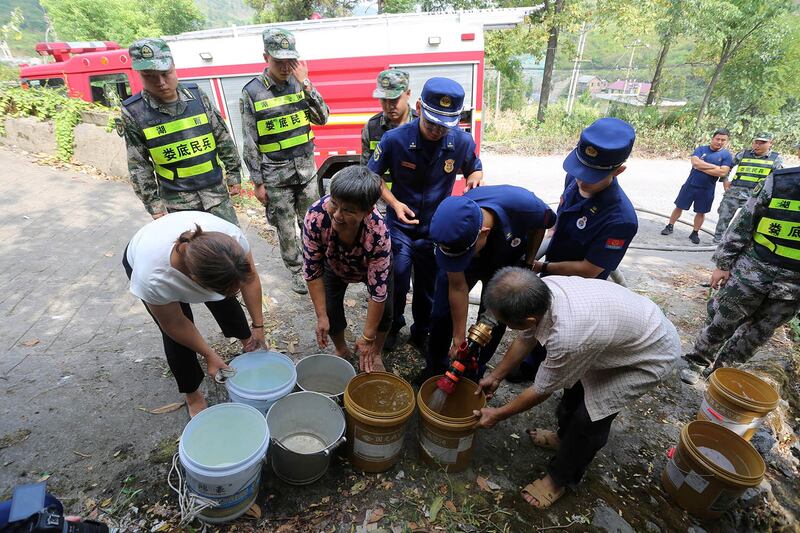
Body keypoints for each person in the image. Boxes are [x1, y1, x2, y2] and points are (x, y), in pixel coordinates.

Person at [474, 267, 680, 508]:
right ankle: (563, 437)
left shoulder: (568, 336)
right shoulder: (538, 291)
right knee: (574, 389)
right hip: (615, 335)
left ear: (529, 319)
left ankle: (560, 478)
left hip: (649, 354)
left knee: (590, 418)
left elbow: (541, 389)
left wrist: (498, 414)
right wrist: (497, 375)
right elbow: (526, 337)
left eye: (506, 323)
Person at [509, 117, 638, 383]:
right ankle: (530, 364)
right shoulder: (575, 177)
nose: (581, 179)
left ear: (619, 170)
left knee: (561, 329)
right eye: (580, 169)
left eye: (592, 176)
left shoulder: (620, 218)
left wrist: (541, 267)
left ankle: (552, 373)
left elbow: (589, 270)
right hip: (553, 266)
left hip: (580, 285)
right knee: (539, 319)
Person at [368, 77, 483, 352]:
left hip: (435, 229)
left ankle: (422, 330)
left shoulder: (462, 142)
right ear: (419, 107)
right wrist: (394, 203)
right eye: (431, 123)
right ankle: (393, 326)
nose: (436, 131)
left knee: (428, 284)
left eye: (444, 126)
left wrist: (476, 178)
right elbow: (373, 177)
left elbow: (474, 168)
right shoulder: (395, 139)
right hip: (400, 224)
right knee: (397, 276)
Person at [123, 211, 266, 416]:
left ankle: (248, 341)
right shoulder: (152, 278)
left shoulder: (231, 241)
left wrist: (258, 326)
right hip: (146, 255)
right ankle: (192, 393)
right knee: (177, 338)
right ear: (194, 281)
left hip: (204, 262)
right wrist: (209, 355)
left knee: (226, 303)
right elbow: (175, 324)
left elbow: (250, 280)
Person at [680, 167, 800, 384]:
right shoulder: (780, 182)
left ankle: (722, 374)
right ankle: (697, 361)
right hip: (752, 271)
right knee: (723, 318)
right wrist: (723, 264)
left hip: (792, 286)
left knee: (757, 334)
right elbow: (744, 221)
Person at [425, 185, 556, 380]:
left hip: (506, 259)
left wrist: (528, 262)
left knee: (495, 321)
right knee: (442, 313)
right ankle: (435, 368)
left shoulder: (526, 206)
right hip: (473, 255)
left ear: (484, 232)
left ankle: (473, 372)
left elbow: (542, 224)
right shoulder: (453, 227)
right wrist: (459, 337)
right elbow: (457, 286)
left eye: (466, 255)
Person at [241, 28, 330, 294]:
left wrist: (307, 85)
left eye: (289, 61)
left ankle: (318, 266)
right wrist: (257, 182)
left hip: (306, 172)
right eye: (278, 61)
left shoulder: (299, 83)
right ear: (265, 56)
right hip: (274, 175)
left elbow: (322, 117)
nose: (284, 67)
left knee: (312, 221)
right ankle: (296, 271)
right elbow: (250, 140)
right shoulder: (253, 92)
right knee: (285, 228)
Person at [119, 39, 242, 225]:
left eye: (165, 73)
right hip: (178, 204)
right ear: (139, 75)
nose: (160, 82)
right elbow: (139, 165)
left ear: (174, 67)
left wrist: (233, 173)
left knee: (232, 248)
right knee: (193, 254)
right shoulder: (134, 112)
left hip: (216, 194)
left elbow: (221, 136)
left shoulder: (197, 95)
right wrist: (154, 205)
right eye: (150, 76)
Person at [302, 166, 393, 373]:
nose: (338, 215)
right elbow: (312, 270)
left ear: (367, 211)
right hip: (334, 263)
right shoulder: (315, 217)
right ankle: (342, 350)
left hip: (369, 265)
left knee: (386, 311)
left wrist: (367, 337)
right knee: (330, 310)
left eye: (349, 211)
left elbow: (377, 293)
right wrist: (321, 316)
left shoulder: (378, 234)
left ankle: (375, 352)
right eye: (334, 203)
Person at [660, 129, 733, 244]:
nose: (719, 142)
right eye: (717, 139)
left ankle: (695, 232)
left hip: (707, 188)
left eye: (723, 140)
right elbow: (695, 163)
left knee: (701, 212)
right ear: (712, 138)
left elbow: (723, 173)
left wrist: (703, 167)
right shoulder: (701, 149)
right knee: (679, 206)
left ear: (726, 141)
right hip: (691, 184)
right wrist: (715, 167)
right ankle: (670, 226)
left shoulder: (726, 155)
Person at [713, 132, 783, 243]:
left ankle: (741, 243)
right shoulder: (743, 154)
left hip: (755, 196)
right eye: (756, 142)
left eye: (762, 143)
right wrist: (725, 180)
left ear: (770, 143)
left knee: (749, 222)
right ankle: (717, 241)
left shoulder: (775, 159)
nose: (758, 145)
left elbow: (777, 178)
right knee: (724, 216)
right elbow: (727, 166)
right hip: (734, 192)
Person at [360, 69, 416, 165]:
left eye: (394, 99)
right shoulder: (371, 127)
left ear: (408, 94)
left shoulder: (421, 125)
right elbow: (365, 170)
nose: (389, 106)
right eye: (384, 100)